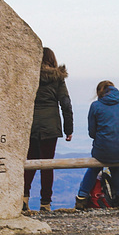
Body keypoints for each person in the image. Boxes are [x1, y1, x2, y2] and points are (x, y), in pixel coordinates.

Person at [23, 48, 74, 211]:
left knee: (30, 161)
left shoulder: (29, 76)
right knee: (47, 164)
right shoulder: (58, 78)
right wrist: (68, 129)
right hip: (51, 126)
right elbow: (65, 104)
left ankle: (23, 199)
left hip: (30, 124)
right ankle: (45, 203)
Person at [75, 81, 119, 210]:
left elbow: (92, 132)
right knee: (115, 167)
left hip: (102, 150)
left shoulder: (96, 106)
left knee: (94, 167)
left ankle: (81, 198)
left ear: (99, 92)